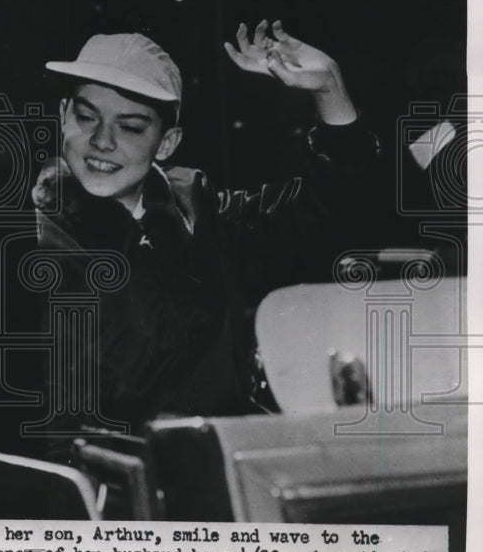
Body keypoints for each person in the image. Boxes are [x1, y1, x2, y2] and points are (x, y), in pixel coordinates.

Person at [31, 21, 381, 430]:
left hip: (230, 455)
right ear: (62, 117)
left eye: (130, 127)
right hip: (124, 475)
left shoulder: (195, 211)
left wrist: (330, 91)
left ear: (167, 143)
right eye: (87, 117)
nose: (103, 140)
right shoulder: (35, 242)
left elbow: (330, 215)